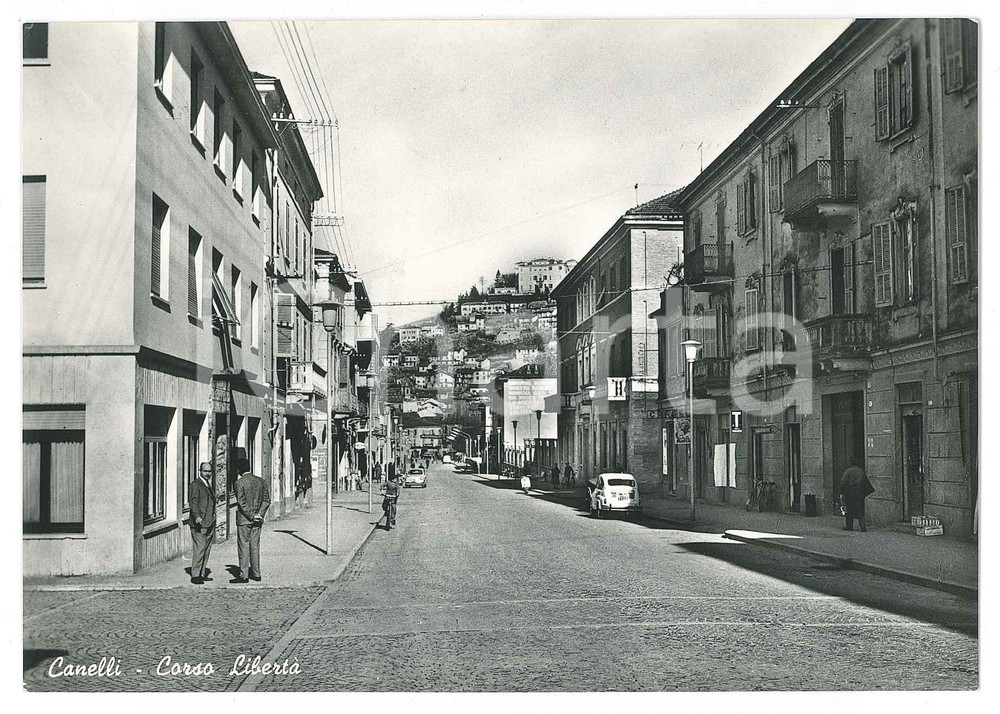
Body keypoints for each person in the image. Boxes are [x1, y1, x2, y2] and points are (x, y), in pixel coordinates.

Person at [232, 459, 271, 583]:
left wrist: (251, 515)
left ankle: (244, 575)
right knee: (255, 546)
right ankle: (256, 573)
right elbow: (266, 500)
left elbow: (241, 502)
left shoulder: (239, 483)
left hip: (244, 520)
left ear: (239, 470)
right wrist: (259, 514)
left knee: (244, 546)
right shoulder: (261, 481)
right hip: (258, 520)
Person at [189, 462, 216, 584]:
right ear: (200, 471)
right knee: (199, 548)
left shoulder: (207, 484)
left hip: (209, 522)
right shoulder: (195, 485)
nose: (208, 474)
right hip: (199, 523)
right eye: (205, 471)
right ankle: (195, 575)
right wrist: (197, 517)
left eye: (210, 471)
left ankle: (202, 573)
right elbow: (193, 503)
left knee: (206, 549)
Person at [837, 459, 875, 532]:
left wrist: (841, 492)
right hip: (859, 493)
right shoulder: (861, 471)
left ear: (851, 463)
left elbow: (843, 482)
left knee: (849, 510)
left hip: (850, 493)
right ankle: (863, 527)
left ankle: (849, 527)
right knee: (860, 510)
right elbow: (866, 483)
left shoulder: (848, 471)